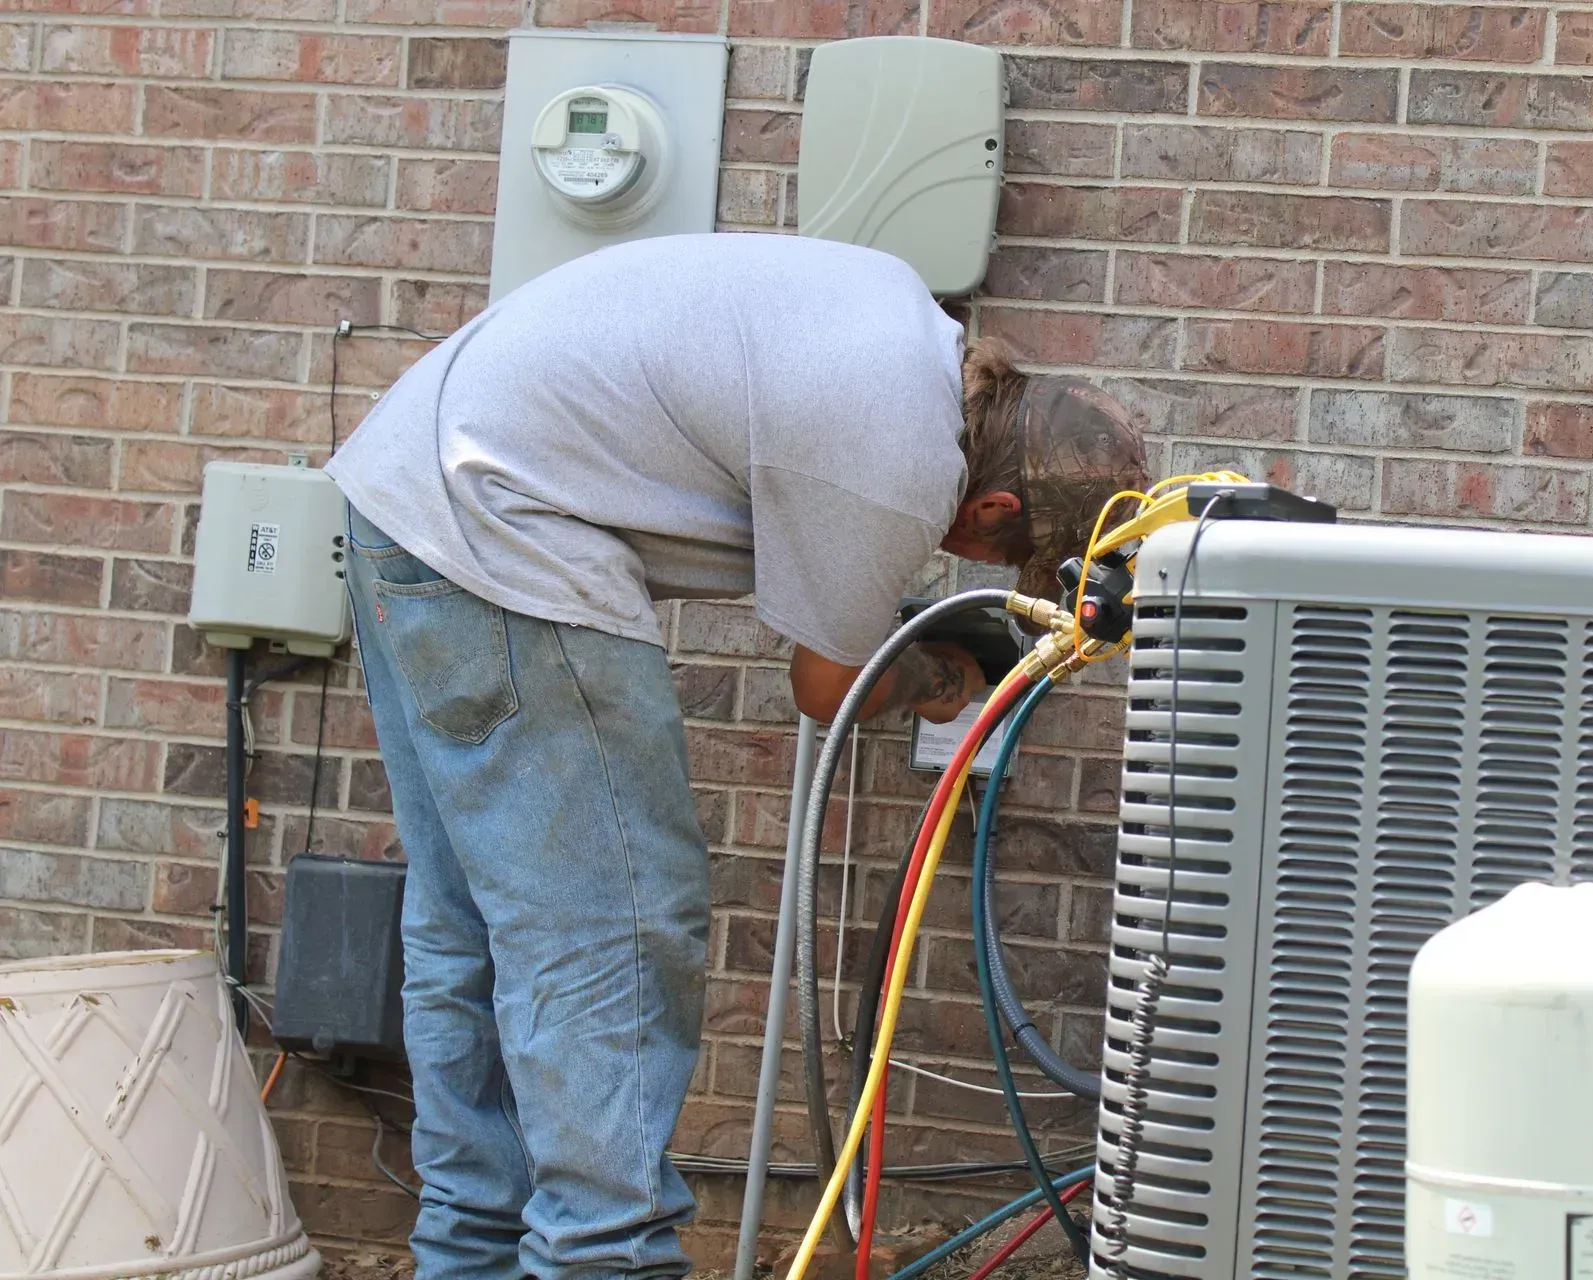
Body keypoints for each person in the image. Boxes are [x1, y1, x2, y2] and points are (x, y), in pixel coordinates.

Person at [324, 231, 1148, 1280]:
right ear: (992, 507)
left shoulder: (908, 328)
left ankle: (471, 1252)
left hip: (406, 489)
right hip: (501, 523)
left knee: (471, 922)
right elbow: (824, 689)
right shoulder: (904, 466)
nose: (977, 562)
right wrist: (937, 673)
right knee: (612, 923)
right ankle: (598, 1257)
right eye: (1001, 556)